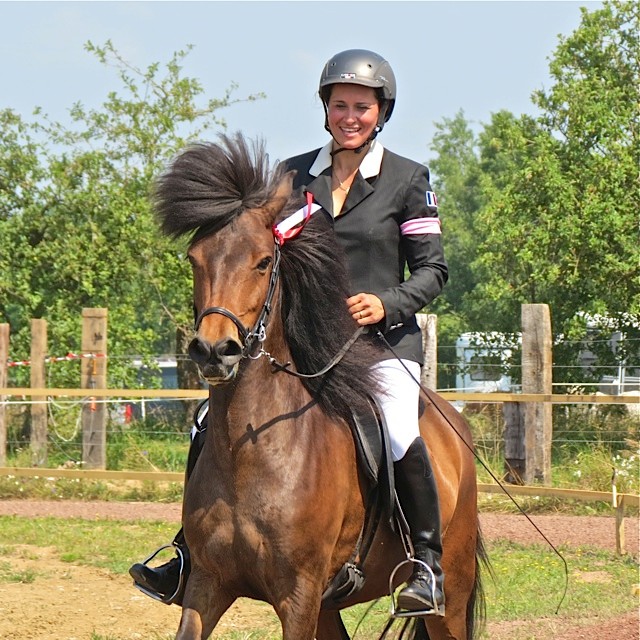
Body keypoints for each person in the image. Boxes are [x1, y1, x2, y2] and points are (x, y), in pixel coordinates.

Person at [130, 48, 448, 617]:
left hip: (379, 346)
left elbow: (433, 270)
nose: (350, 116)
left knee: (399, 424)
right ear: (326, 109)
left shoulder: (408, 179)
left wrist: (387, 302)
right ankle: (189, 553)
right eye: (340, 104)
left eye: (362, 107)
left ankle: (425, 563)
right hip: (303, 346)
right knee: (210, 418)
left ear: (381, 113)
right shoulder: (291, 178)